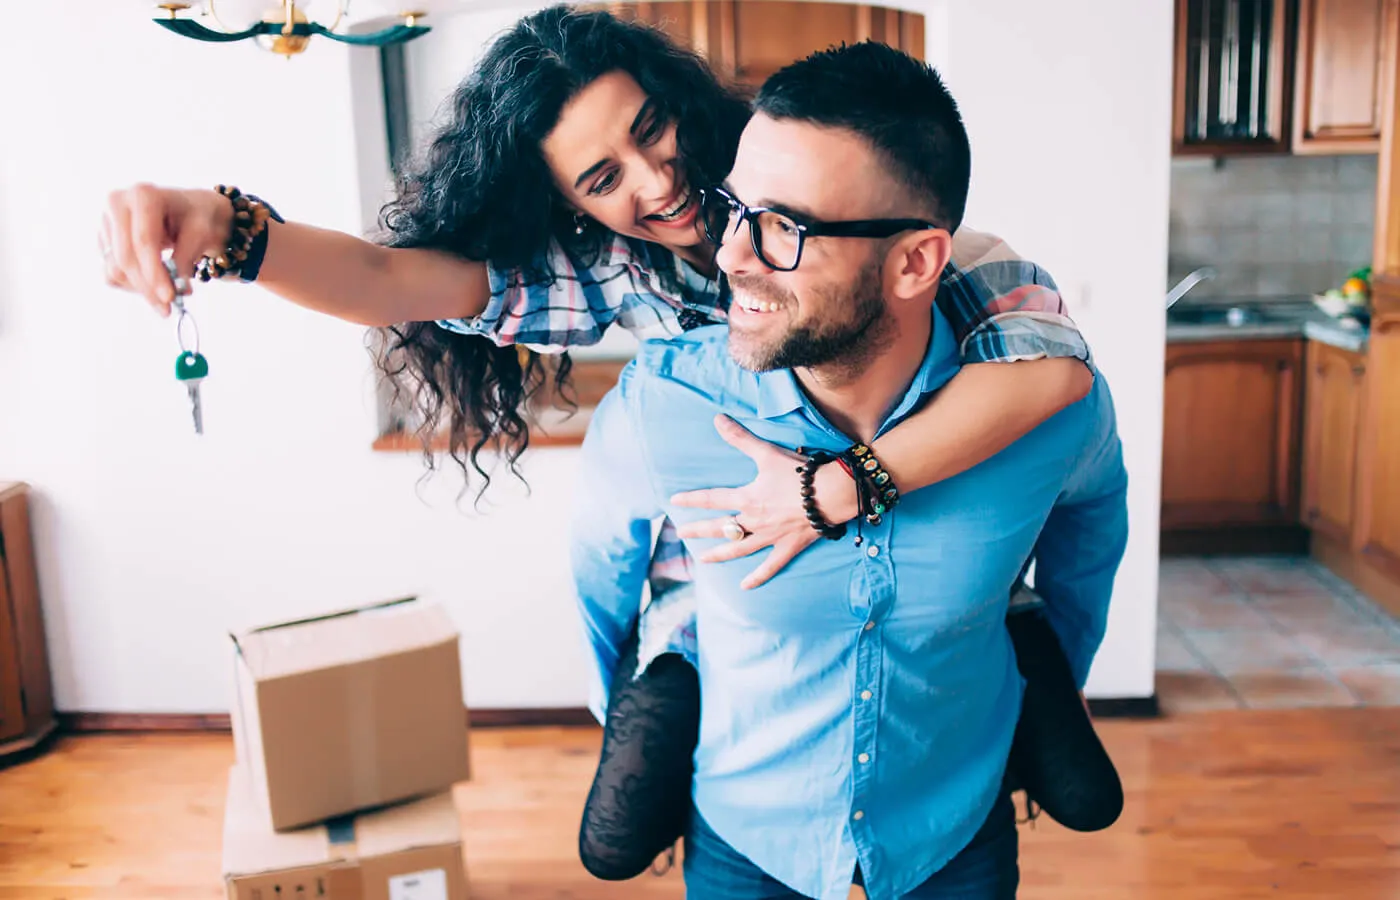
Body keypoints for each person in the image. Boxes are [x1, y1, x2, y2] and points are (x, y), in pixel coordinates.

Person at [96, 5, 1119, 881]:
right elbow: (381, 277)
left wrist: (840, 489)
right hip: (719, 577)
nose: (656, 178)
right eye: (602, 177)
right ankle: (676, 672)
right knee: (628, 804)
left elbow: (1056, 372)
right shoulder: (620, 281)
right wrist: (232, 231)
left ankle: (1009, 636)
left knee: (1017, 688)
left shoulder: (886, 229)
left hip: (908, 531)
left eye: (651, 128)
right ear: (570, 206)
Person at [571, 40, 1130, 900]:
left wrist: (1063, 673)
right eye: (736, 210)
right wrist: (630, 725)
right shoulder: (663, 412)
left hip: (951, 826)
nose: (730, 256)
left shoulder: (1048, 414)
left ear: (916, 261)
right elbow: (602, 589)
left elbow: (1094, 523)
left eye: (784, 229)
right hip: (748, 832)